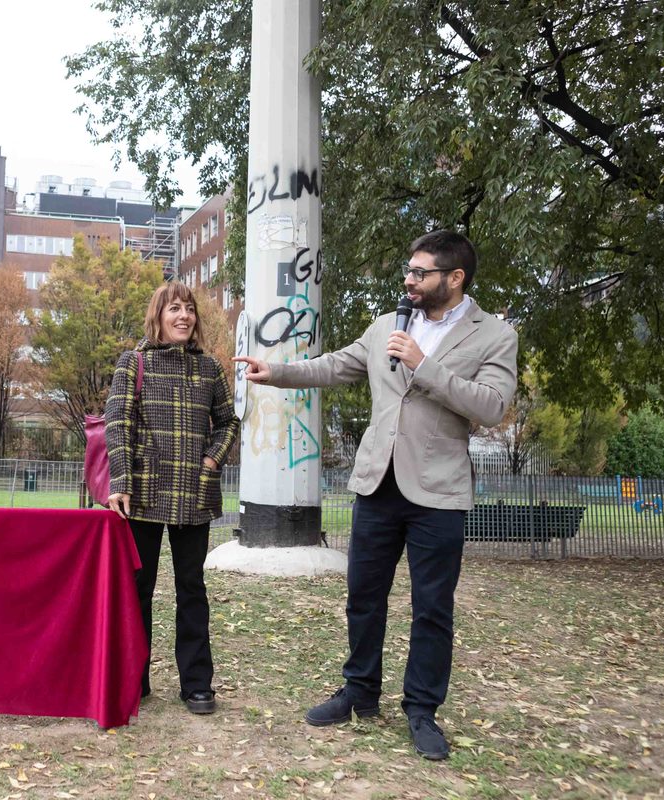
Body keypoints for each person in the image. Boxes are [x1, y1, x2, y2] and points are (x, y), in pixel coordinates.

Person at [234, 230, 517, 759]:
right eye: (408, 270)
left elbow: (492, 406)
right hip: (377, 484)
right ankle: (360, 692)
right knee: (363, 598)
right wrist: (278, 373)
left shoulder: (494, 334)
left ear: (455, 278)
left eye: (420, 272)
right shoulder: (388, 324)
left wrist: (423, 365)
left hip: (438, 491)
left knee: (432, 609)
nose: (409, 280)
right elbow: (336, 364)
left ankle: (422, 710)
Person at [105, 282, 240, 715]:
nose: (184, 316)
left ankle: (197, 684)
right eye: (174, 308)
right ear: (158, 316)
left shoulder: (210, 368)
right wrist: (121, 479)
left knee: (192, 589)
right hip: (143, 494)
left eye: (190, 309)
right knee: (137, 589)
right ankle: (133, 679)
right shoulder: (133, 362)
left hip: (195, 494)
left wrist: (211, 460)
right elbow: (117, 423)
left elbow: (228, 422)